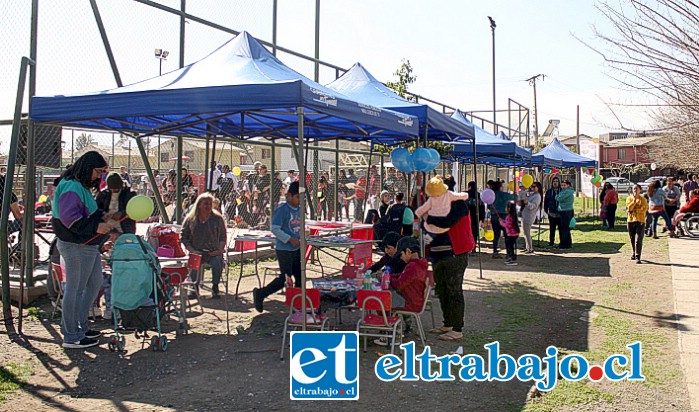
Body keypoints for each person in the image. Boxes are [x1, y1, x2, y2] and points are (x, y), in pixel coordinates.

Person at [52, 151, 113, 348]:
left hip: (87, 245)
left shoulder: (80, 187)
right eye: (98, 171)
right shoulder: (71, 186)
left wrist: (102, 219)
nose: (99, 176)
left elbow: (86, 214)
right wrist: (97, 227)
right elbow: (70, 219)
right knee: (75, 288)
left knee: (94, 283)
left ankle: (80, 326)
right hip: (75, 245)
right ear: (88, 168)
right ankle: (71, 335)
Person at [253, 181, 301, 312]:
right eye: (297, 197)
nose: (299, 201)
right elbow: (274, 229)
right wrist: (289, 239)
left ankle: (297, 305)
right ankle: (261, 293)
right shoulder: (282, 210)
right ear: (289, 195)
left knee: (299, 276)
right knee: (285, 278)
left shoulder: (300, 210)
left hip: (297, 249)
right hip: (284, 249)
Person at [181, 193, 227, 298]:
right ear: (199, 205)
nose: (208, 206)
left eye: (210, 204)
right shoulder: (191, 219)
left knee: (217, 262)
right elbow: (183, 236)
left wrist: (219, 250)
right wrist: (191, 250)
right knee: (194, 260)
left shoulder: (217, 219)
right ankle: (194, 287)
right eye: (205, 204)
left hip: (213, 252)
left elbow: (223, 237)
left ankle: (215, 286)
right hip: (197, 251)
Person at [415, 176, 468, 242]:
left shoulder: (459, 204)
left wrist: (429, 219)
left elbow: (446, 223)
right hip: (443, 240)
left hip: (455, 243)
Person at [488, 181, 513, 257]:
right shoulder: (504, 195)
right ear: (500, 187)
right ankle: (508, 253)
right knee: (507, 235)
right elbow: (513, 197)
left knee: (496, 235)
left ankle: (495, 251)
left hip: (494, 216)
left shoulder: (491, 196)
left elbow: (489, 206)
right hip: (504, 217)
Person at [627, 184, 648, 263]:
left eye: (637, 189)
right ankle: (634, 252)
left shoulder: (643, 199)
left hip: (640, 221)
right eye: (634, 189)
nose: (635, 190)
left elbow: (644, 209)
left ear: (640, 190)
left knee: (638, 239)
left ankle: (638, 256)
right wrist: (634, 201)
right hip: (631, 220)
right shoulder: (629, 198)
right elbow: (629, 208)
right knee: (632, 238)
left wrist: (635, 210)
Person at [520, 181, 542, 254]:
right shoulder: (532, 194)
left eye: (534, 186)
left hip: (529, 216)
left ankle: (530, 248)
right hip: (525, 214)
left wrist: (527, 203)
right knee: (525, 232)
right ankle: (527, 247)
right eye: (532, 186)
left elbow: (533, 206)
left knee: (527, 232)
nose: (532, 188)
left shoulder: (537, 196)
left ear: (538, 188)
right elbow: (524, 198)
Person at [0, 173, 23, 239]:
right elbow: (17, 216)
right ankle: (20, 246)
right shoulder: (10, 195)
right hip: (3, 225)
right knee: (23, 223)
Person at [555, 179, 575, 249]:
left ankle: (564, 244)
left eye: (564, 185)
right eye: (562, 185)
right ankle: (566, 243)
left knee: (564, 228)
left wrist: (557, 196)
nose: (562, 186)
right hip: (563, 210)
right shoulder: (564, 191)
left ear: (568, 185)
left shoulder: (567, 192)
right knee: (564, 228)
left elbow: (558, 198)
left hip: (566, 211)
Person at [543, 177, 562, 247]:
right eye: (554, 181)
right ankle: (551, 242)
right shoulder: (549, 192)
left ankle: (561, 242)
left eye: (557, 181)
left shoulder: (562, 191)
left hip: (560, 213)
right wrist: (546, 211)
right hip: (552, 213)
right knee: (552, 229)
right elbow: (546, 203)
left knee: (561, 229)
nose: (555, 183)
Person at [501, 200, 520, 265]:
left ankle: (512, 258)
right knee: (511, 246)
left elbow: (507, 225)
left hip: (511, 234)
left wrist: (501, 222)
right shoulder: (513, 216)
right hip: (515, 234)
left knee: (510, 247)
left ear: (509, 209)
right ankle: (512, 257)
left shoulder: (509, 217)